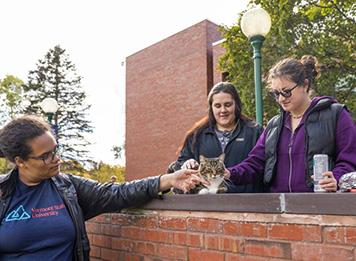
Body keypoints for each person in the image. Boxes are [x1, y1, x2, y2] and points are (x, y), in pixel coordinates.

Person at [0, 115, 206, 260]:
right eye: (46, 156)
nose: (57, 159)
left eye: (56, 150)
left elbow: (115, 192)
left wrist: (167, 180)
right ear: (20, 161)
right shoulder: (3, 194)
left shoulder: (67, 187)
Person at [226, 55, 356, 192]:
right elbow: (255, 164)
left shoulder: (336, 114)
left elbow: (350, 158)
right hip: (280, 209)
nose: (281, 99)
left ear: (305, 85)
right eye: (276, 94)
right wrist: (228, 173)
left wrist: (336, 178)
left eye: (286, 92)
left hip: (322, 206)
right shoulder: (274, 126)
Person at [173, 81, 264, 193]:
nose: (223, 110)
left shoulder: (255, 132)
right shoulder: (196, 135)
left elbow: (261, 167)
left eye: (228, 105)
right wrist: (187, 164)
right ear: (211, 108)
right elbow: (179, 168)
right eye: (217, 106)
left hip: (247, 204)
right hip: (206, 205)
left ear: (236, 105)